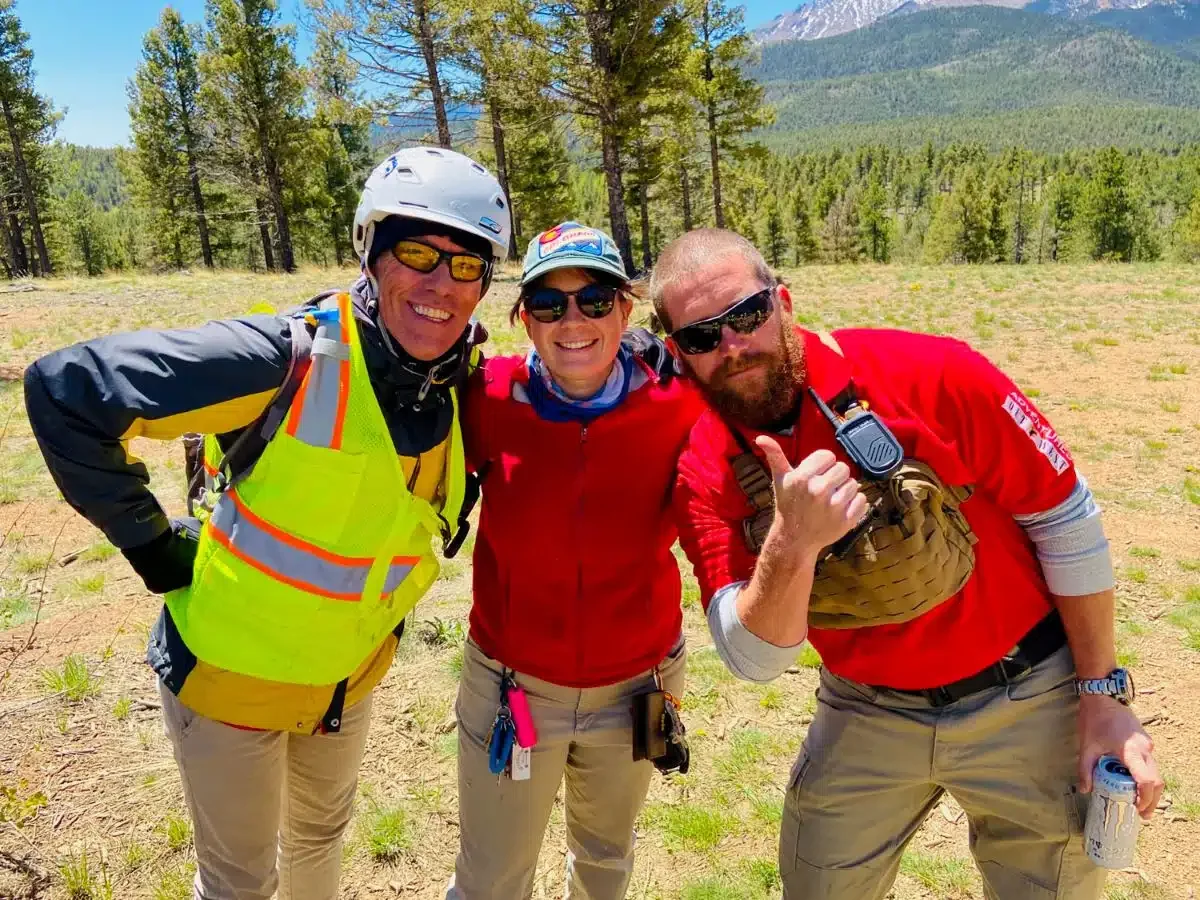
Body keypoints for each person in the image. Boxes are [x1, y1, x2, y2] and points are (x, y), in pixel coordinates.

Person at [23, 147, 511, 900]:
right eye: (417, 252)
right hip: (229, 686)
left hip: (343, 683)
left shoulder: (452, 383)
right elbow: (68, 390)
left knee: (320, 837)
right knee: (239, 882)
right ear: (371, 251)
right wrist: (152, 547)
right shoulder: (285, 359)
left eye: (467, 264)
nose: (441, 284)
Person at [649, 228, 1164, 900]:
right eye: (701, 337)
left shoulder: (931, 375)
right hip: (866, 709)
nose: (733, 347)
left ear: (785, 302)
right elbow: (756, 660)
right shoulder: (705, 465)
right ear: (676, 352)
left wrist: (1103, 699)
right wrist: (793, 542)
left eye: (747, 316)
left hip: (1027, 692)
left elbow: (1064, 517)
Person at [448, 222, 705, 899]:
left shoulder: (677, 399)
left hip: (640, 685)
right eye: (548, 303)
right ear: (523, 319)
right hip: (515, 686)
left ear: (626, 308)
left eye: (595, 300)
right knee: (491, 881)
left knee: (605, 861)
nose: (573, 320)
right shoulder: (486, 398)